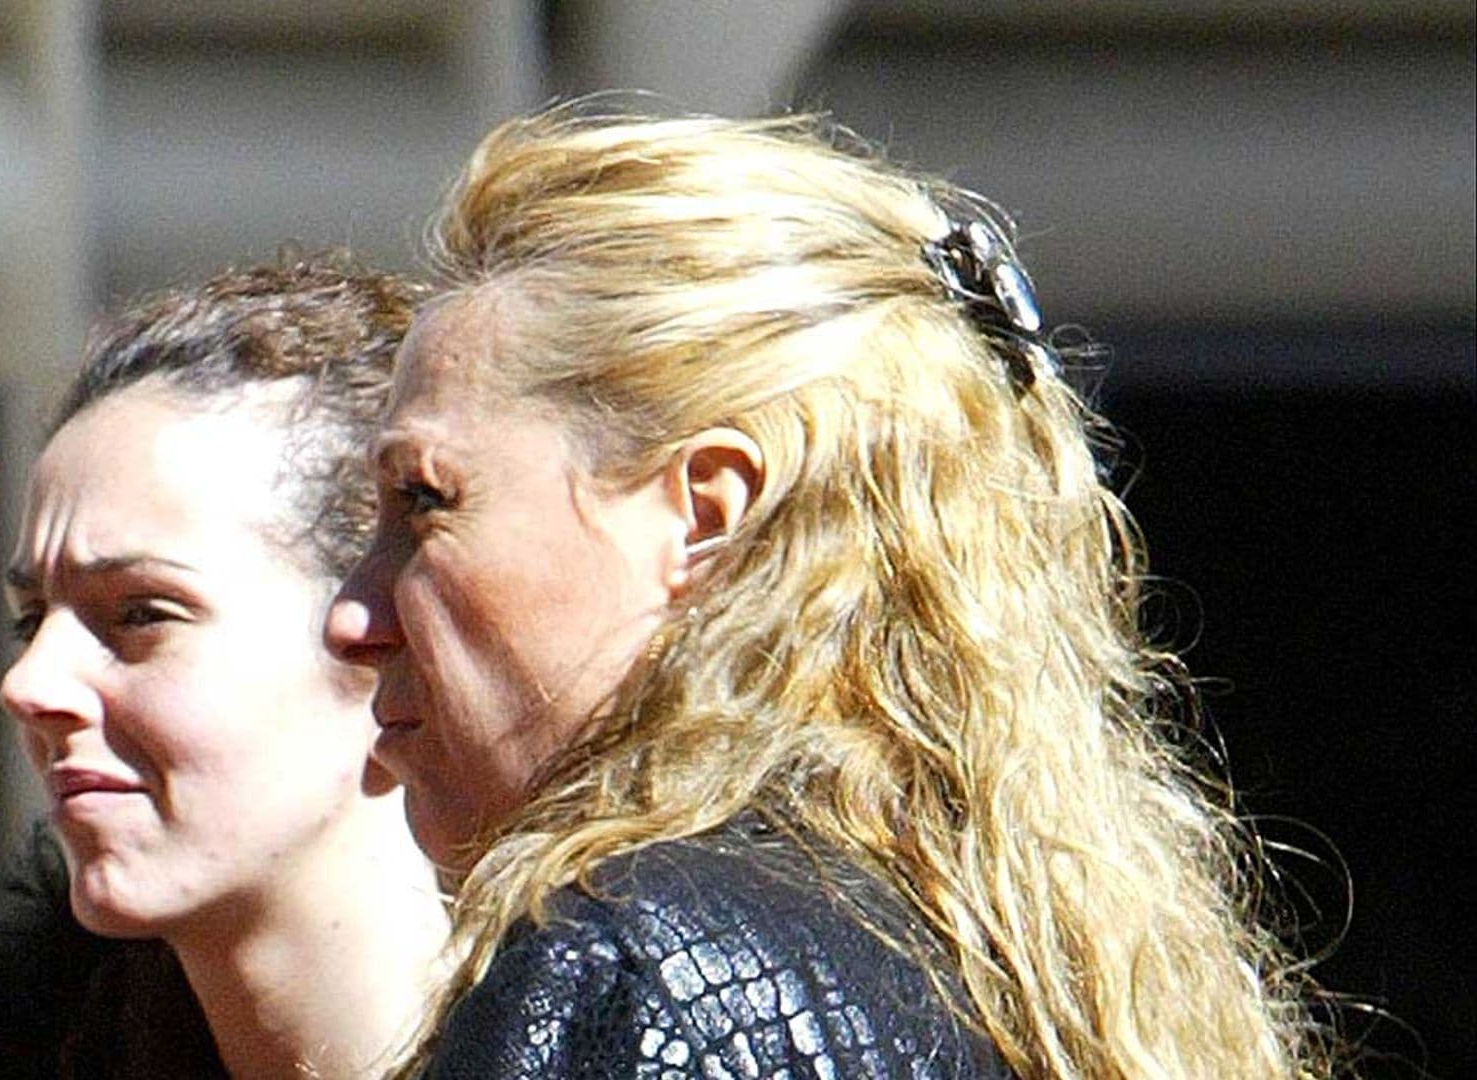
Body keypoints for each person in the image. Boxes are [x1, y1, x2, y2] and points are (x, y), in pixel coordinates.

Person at [326, 110, 1337, 1078]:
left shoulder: (637, 966)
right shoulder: (1012, 964)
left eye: (425, 501)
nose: (352, 619)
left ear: (706, 514)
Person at [0, 254, 449, 1079]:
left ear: (387, 641)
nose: (29, 685)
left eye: (141, 614)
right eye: (32, 620)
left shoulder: (617, 1034)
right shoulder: (9, 1048)